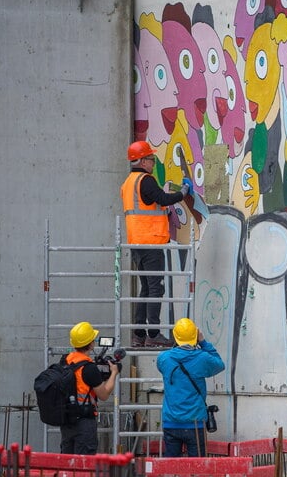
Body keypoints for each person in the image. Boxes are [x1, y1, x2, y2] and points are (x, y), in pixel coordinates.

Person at [121, 141, 193, 348]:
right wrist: (184, 192)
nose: (153, 163)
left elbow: (149, 205)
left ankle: (139, 335)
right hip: (151, 241)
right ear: (142, 161)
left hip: (137, 242)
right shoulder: (146, 180)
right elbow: (163, 198)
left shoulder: (128, 183)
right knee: (155, 289)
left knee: (145, 289)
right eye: (151, 160)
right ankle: (153, 333)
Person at [156, 318, 225, 457]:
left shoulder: (164, 358)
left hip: (171, 422)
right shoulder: (202, 358)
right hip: (195, 422)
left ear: (175, 336)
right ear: (195, 335)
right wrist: (203, 342)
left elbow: (166, 363)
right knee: (197, 469)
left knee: (173, 469)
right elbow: (220, 364)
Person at [60, 321, 119, 455]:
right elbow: (103, 395)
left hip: (67, 420)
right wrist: (114, 373)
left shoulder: (65, 361)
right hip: (84, 421)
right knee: (83, 465)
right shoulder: (89, 368)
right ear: (91, 344)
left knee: (66, 462)